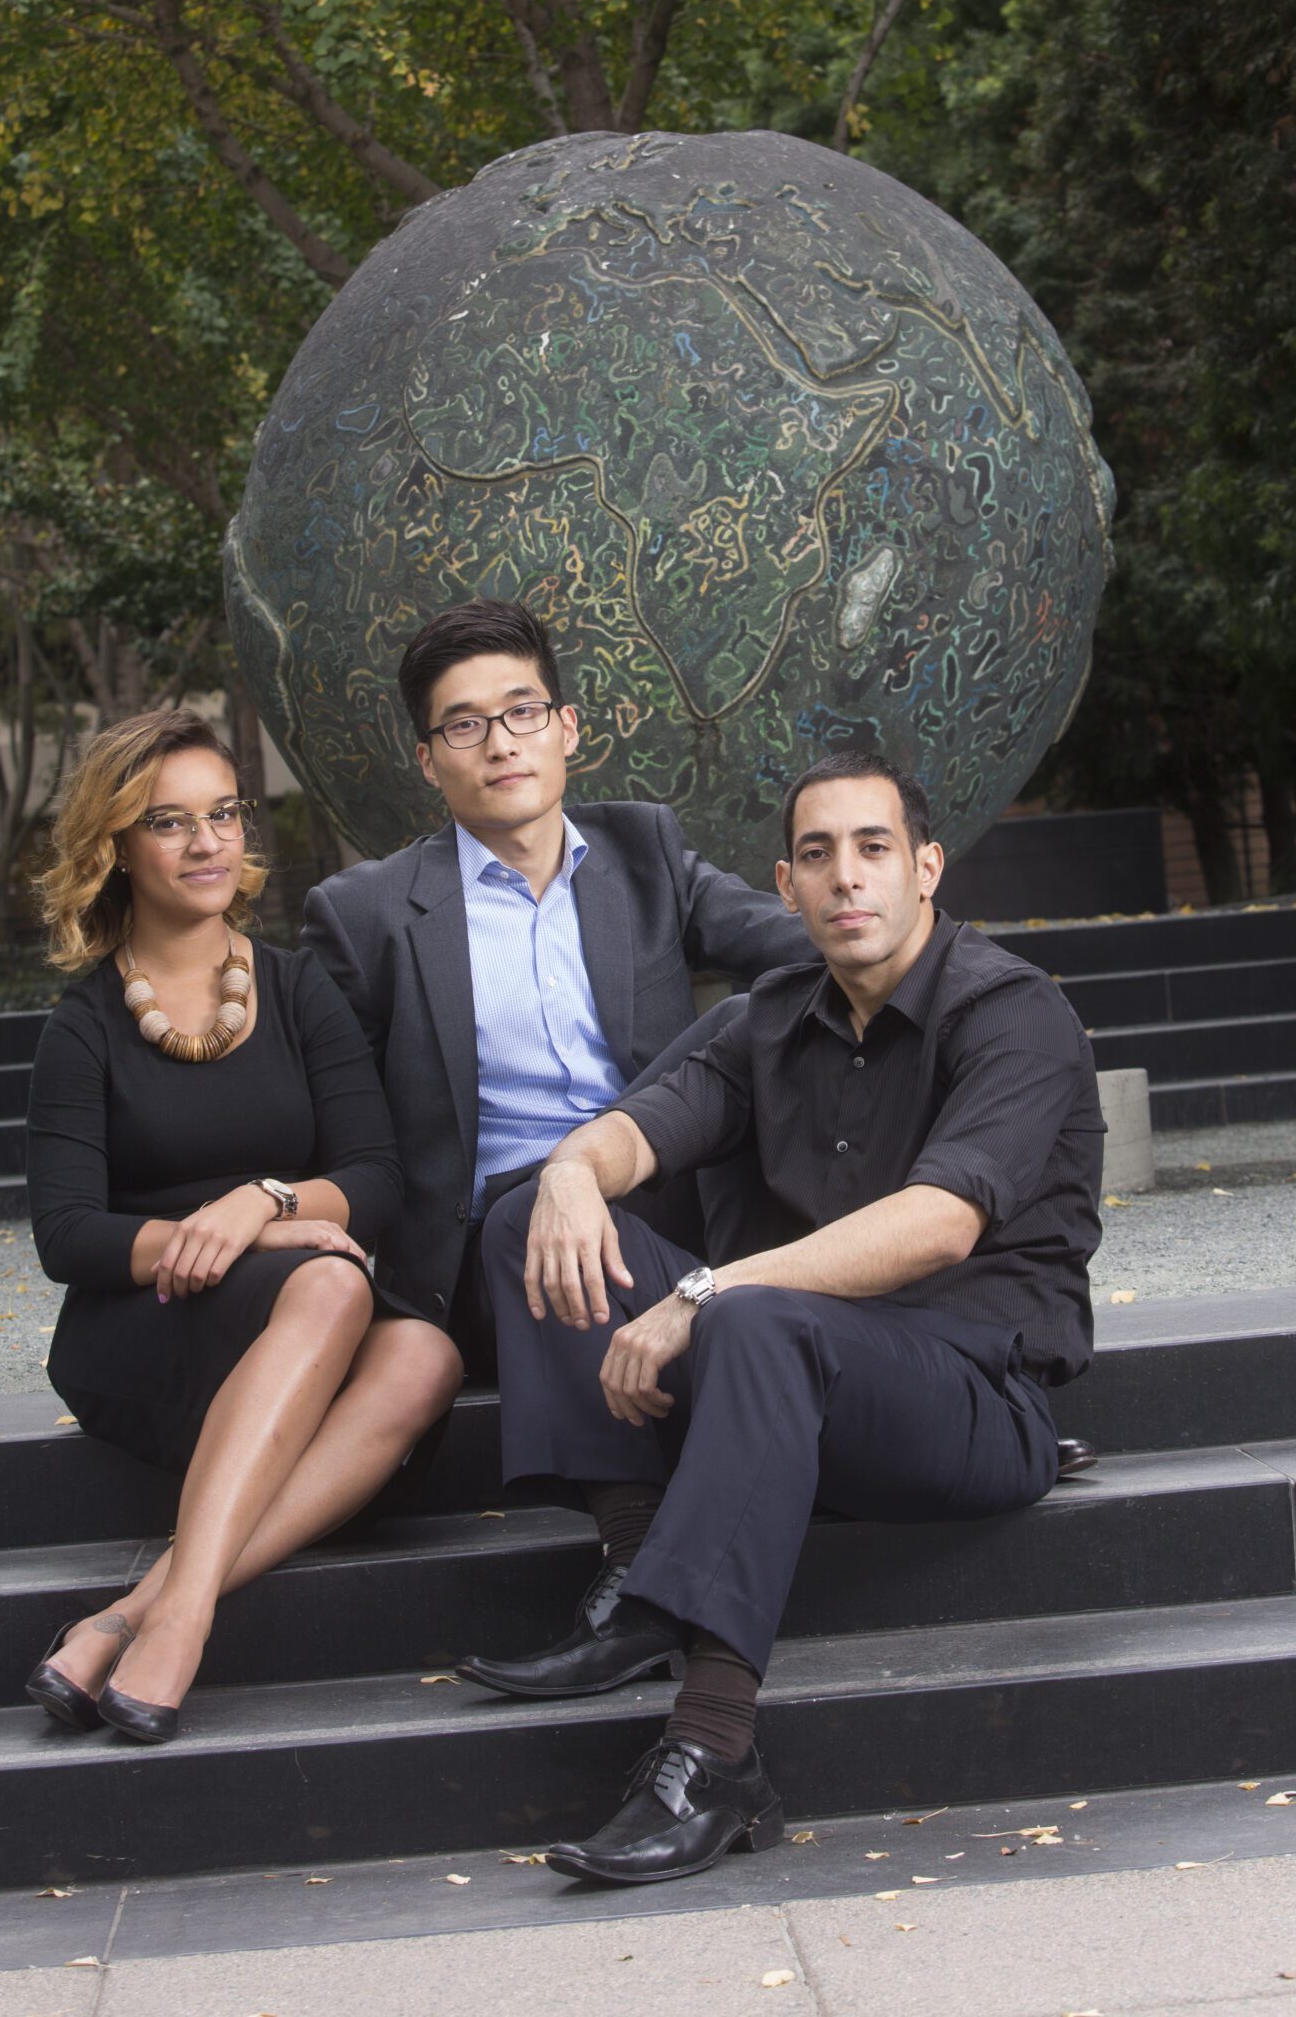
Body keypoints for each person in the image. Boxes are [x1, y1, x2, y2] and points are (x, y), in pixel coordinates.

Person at [459, 747, 1105, 1884]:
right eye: (818, 856)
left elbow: (939, 1224)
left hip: (968, 1398)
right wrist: (568, 1170)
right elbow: (639, 1126)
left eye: (872, 849)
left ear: (926, 868)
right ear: (788, 883)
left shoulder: (1013, 1010)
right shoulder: (770, 1015)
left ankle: (712, 1755)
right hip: (779, 1389)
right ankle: (637, 1564)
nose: (847, 878)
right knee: (528, 1220)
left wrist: (708, 1287)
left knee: (757, 1312)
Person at [23, 708, 461, 1744]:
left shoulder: (299, 989)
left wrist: (260, 1202)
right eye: (169, 823)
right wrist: (237, 1239)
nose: (209, 842)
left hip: (294, 1295)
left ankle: (147, 1609)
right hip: (147, 1322)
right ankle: (178, 1630)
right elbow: (69, 1235)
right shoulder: (82, 1027)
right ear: (116, 848)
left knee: (428, 1358)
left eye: (222, 814)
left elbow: (373, 1176)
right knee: (337, 1281)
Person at [300, 597, 811, 1374]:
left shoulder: (644, 853)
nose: (500, 745)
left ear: (566, 727)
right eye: (464, 725)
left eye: (522, 713)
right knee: (529, 1217)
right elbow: (324, 1113)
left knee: (769, 1010)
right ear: (429, 760)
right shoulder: (367, 915)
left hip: (658, 1208)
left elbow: (801, 948)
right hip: (495, 1248)